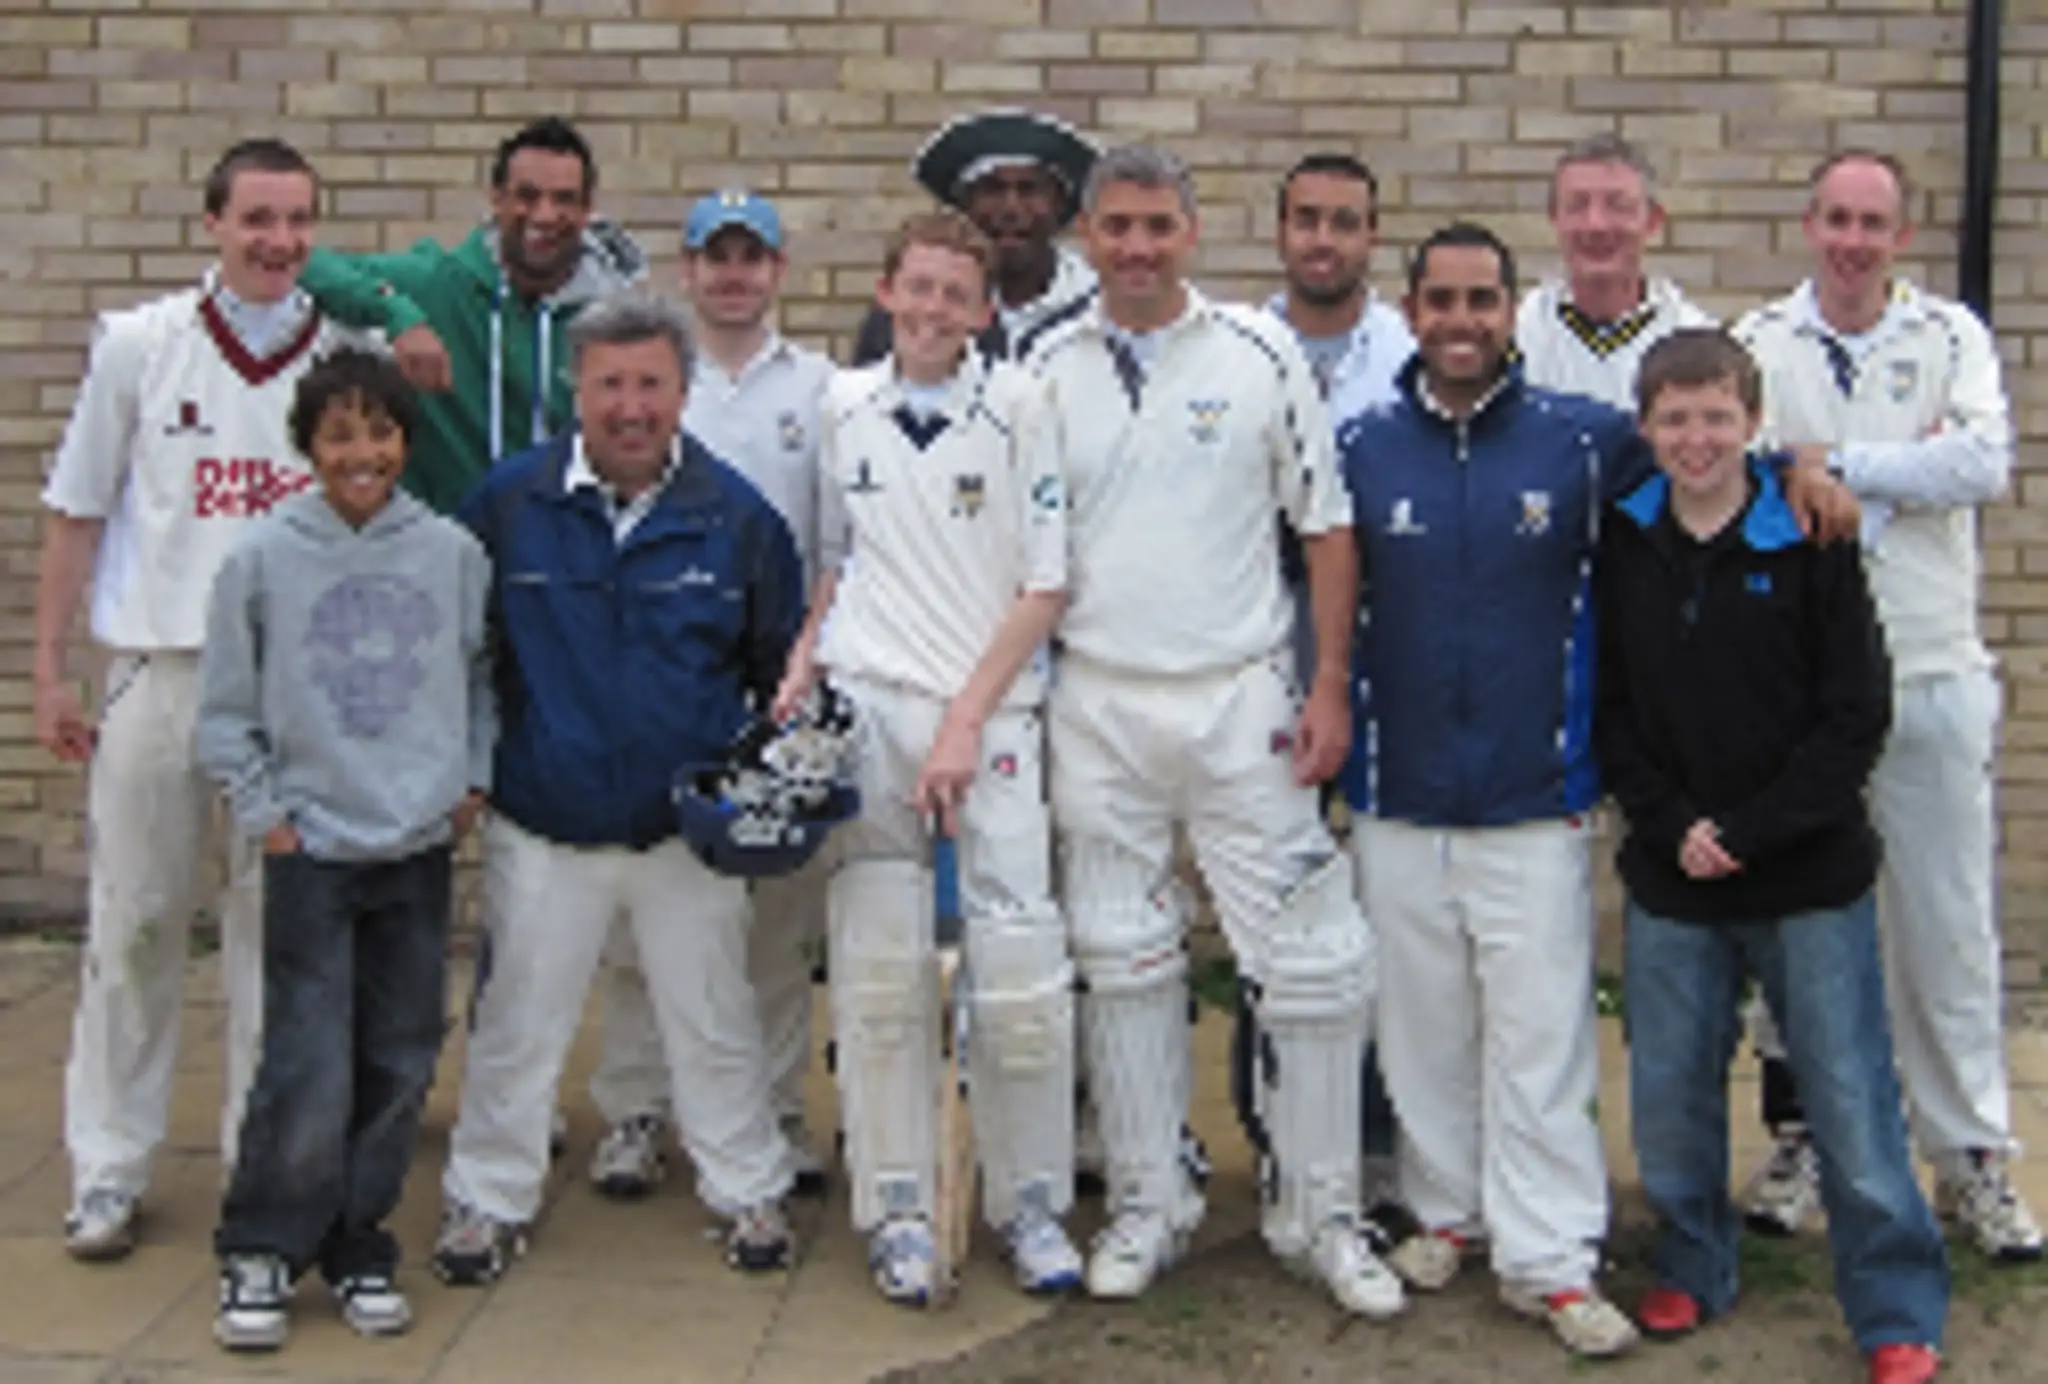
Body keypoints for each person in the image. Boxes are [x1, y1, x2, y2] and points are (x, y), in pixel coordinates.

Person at [1336, 222, 1858, 1358]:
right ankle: (1447, 1213)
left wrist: (1800, 469)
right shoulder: (1359, 443)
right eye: (1440, 300)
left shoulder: (1585, 441)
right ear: (1411, 312)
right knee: (1422, 1029)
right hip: (1395, 788)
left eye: (1481, 299)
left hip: (1537, 793)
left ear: (1510, 311)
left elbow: (1705, 455)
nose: (1461, 320)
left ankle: (1552, 1256)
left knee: (1540, 1038)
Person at [1030, 142, 1403, 1319]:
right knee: (1120, 955)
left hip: (1240, 693)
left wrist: (1327, 683)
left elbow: (1325, 528)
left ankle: (1322, 1213)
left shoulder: (1257, 354)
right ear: (1087, 237)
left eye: (1157, 226)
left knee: (1315, 964)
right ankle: (1150, 1201)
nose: (1136, 248)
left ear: (1190, 233)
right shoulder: (1043, 364)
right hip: (1098, 700)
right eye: (1116, 227)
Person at [34, 138, 368, 1263]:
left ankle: (259, 1173)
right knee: (133, 924)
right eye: (257, 219)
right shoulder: (140, 343)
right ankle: (108, 1168)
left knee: (278, 942)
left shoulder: (344, 351)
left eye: (297, 220)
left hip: (296, 687)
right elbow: (77, 509)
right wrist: (49, 669)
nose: (279, 241)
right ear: (213, 223)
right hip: (163, 664)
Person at [428, 292, 805, 1285]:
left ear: (682, 390)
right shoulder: (510, 505)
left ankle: (748, 1189)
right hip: (544, 821)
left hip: (684, 830)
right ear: (577, 388)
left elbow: (776, 669)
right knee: (517, 1023)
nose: (630, 407)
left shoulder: (737, 518)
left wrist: (741, 794)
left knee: (713, 1020)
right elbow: (462, 649)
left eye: (650, 384)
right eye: (610, 385)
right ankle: (486, 1200)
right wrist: (475, 771)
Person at [1594, 327, 1947, 1384]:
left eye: (1716, 416)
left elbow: (1855, 713)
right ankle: (1692, 1264)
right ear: (1645, 427)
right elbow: (1610, 707)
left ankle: (1894, 1305)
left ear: (1753, 423)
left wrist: (1750, 831)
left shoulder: (1809, 530)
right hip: (1672, 875)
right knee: (1670, 1095)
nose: (1695, 438)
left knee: (1847, 1095)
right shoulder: (1623, 536)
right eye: (1674, 418)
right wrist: (1670, 824)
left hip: (1807, 875)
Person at [1731, 150, 2041, 1265]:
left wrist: (1837, 464)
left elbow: (1982, 463)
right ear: (1808, 224)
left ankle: (1971, 1156)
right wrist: (1876, 469)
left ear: (1899, 236)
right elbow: (1741, 473)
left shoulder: (1950, 336)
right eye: (1837, 219)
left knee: (1944, 920)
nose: (1853, 241)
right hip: (1801, 691)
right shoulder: (1759, 342)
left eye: (1874, 223)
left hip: (1929, 669)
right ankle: (1806, 1138)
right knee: (1803, 920)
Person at [772, 208, 1082, 1304]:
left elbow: (1044, 585)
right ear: (885, 291)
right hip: (870, 705)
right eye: (919, 287)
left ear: (984, 310)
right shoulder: (843, 404)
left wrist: (963, 723)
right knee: (879, 971)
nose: (934, 310)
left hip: (986, 717)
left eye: (957, 293)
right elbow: (837, 561)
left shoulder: (1022, 405)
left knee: (1017, 972)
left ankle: (1028, 1202)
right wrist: (803, 663)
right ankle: (898, 1204)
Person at [196, 349, 495, 1353]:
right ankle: (262, 1245)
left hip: (415, 842)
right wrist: (268, 814)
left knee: (401, 1049)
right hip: (313, 846)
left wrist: (469, 780)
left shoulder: (451, 552)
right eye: (338, 435)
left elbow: (480, 677)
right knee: (307, 1055)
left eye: (380, 432)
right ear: (308, 446)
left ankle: (359, 1237)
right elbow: (225, 709)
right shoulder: (261, 559)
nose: (361, 454)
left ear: (406, 441)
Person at [579, 189, 836, 1201]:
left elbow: (836, 542)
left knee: (774, 919)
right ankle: (637, 1111)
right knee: (644, 918)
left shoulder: (823, 389)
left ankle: (773, 1110)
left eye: (750, 256)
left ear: (778, 270)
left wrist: (805, 669)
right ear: (685, 270)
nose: (733, 274)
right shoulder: (653, 383)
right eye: (714, 256)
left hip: (778, 685)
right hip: (662, 676)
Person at [1234, 151, 1413, 1213]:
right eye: (1306, 219)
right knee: (1272, 895)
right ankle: (1275, 1131)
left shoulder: (1410, 353)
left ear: (1370, 237)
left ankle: (1378, 1140)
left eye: (1344, 222)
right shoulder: (1235, 346)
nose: (1322, 239)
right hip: (1257, 644)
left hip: (1383, 647)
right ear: (1279, 230)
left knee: (1376, 904)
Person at [296, 116, 650, 512]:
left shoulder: (614, 322)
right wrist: (399, 315)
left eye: (564, 199)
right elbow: (306, 264)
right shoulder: (437, 285)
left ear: (588, 210)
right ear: (496, 199)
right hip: (443, 541)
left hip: (563, 544)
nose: (545, 215)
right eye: (527, 196)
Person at [851, 107, 1100, 368]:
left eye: (1029, 190)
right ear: (964, 206)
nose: (1011, 209)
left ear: (1060, 205)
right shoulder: (909, 313)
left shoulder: (1100, 308)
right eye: (993, 190)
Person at [1515, 134, 1715, 410]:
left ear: (1653, 221)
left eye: (1618, 206)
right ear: (1554, 218)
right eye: (1577, 206)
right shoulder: (1517, 338)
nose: (1596, 225)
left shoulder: (1700, 343)